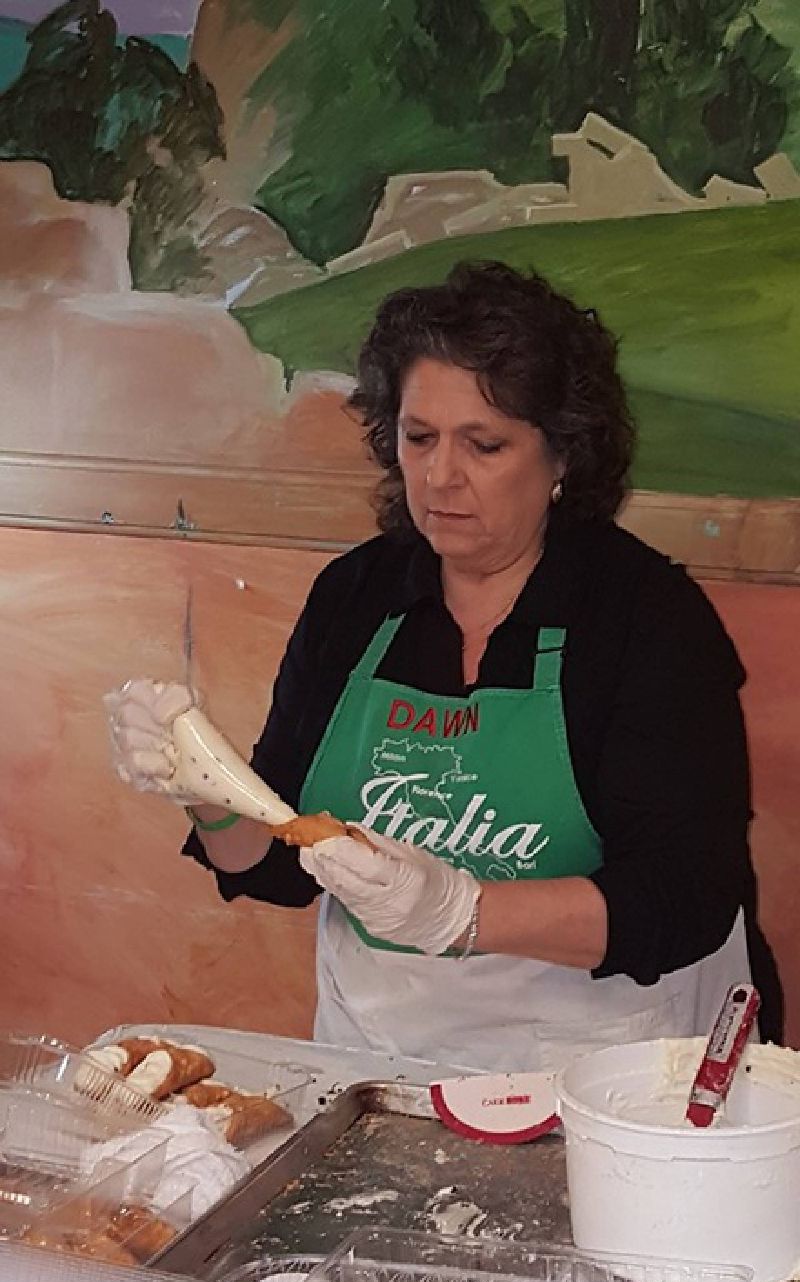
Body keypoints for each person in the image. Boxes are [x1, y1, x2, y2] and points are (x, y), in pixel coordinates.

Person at [106, 260, 783, 1072]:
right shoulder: (357, 599)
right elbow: (281, 865)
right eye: (419, 437)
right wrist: (201, 788)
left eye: (484, 444)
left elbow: (682, 900)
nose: (440, 476)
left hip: (615, 1062)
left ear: (563, 455)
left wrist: (463, 913)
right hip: (386, 1057)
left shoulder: (646, 619)